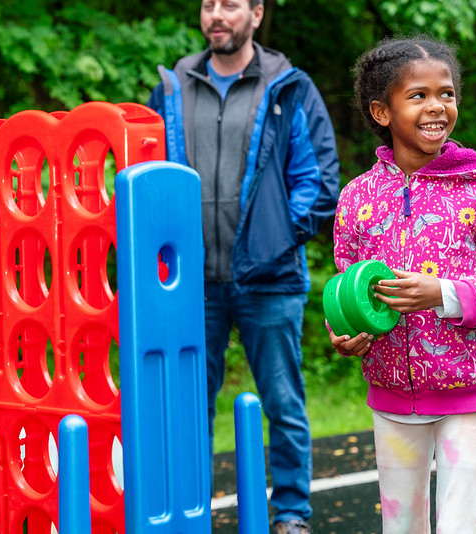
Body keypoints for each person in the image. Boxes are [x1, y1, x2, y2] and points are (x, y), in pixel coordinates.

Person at [330, 36, 476, 533]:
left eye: (446, 93)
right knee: (401, 524)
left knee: (460, 523)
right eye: (418, 95)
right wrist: (346, 334)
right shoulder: (357, 197)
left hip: (468, 389)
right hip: (391, 391)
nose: (437, 107)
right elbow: (346, 290)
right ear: (382, 111)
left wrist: (442, 294)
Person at [148, 1, 340, 532]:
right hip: (186, 283)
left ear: (256, 13)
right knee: (186, 408)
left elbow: (319, 181)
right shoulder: (172, 87)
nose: (216, 14)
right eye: (209, 4)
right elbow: (148, 175)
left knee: (282, 402)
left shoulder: (288, 86)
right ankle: (190, 513)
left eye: (230, 4)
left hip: (270, 278)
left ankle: (292, 513)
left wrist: (274, 241)